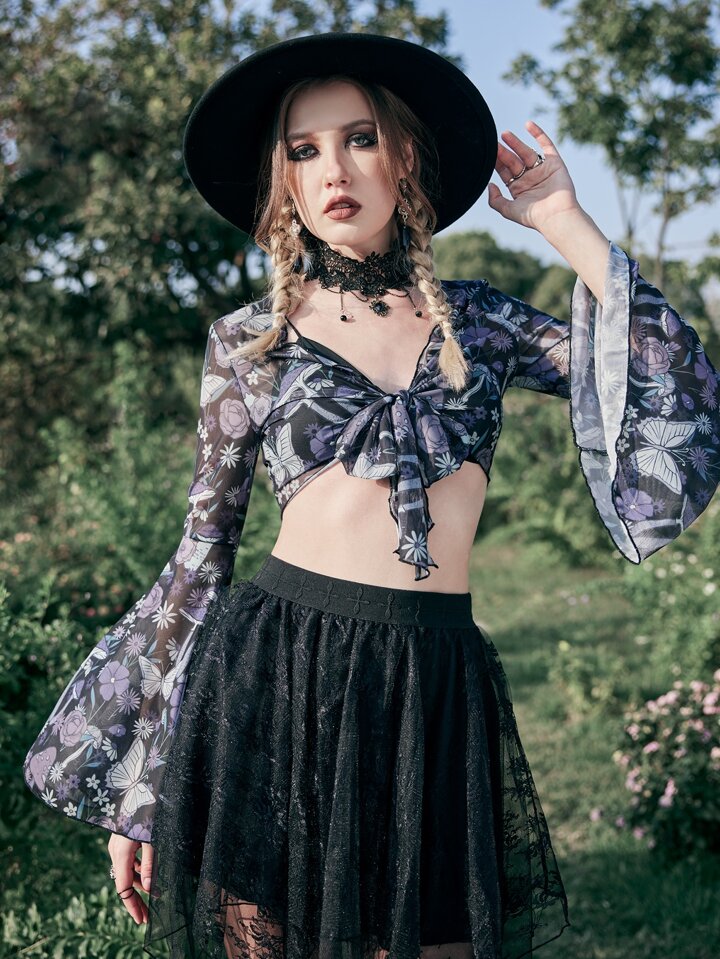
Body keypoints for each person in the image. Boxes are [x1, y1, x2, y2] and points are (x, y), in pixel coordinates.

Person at [22, 31, 720, 959]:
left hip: (435, 683)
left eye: (359, 139)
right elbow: (199, 562)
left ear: (406, 158)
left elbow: (665, 377)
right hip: (278, 673)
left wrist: (565, 224)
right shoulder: (251, 341)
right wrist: (143, 791)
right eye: (304, 150)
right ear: (284, 181)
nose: (333, 170)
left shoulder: (480, 322)